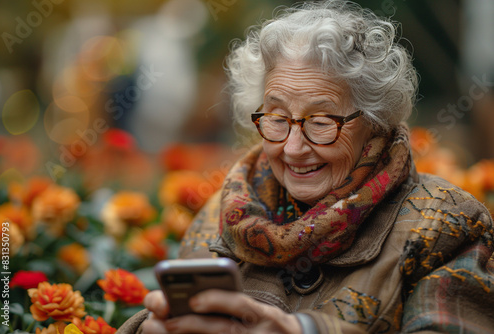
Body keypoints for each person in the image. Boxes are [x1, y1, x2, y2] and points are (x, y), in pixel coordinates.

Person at [118, 1, 494, 333]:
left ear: (375, 122)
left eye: (321, 121)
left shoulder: (444, 222)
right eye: (277, 118)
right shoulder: (222, 212)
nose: (294, 148)